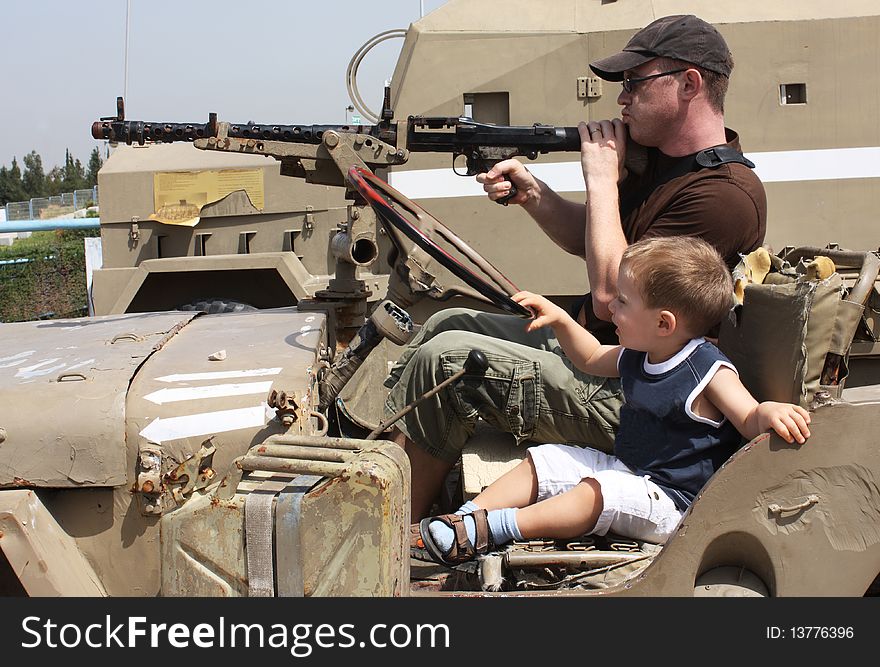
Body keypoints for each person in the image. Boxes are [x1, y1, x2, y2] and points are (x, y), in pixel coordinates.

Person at [383, 14, 768, 521]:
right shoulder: (664, 166)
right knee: (445, 323)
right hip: (618, 354)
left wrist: (603, 179)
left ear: (689, 84)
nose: (621, 99)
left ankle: (395, 541)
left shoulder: (723, 196)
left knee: (448, 362)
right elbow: (598, 240)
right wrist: (534, 195)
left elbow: (611, 294)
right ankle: (384, 466)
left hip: (647, 400)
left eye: (634, 83)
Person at [417, 236, 811, 565]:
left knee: (600, 492)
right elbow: (588, 357)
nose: (610, 308)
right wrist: (562, 320)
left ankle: (496, 528)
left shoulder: (706, 368)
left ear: (663, 323)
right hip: (631, 469)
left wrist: (768, 411)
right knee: (549, 459)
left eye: (622, 301)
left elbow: (747, 417)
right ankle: (464, 523)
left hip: (675, 503)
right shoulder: (640, 353)